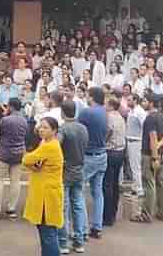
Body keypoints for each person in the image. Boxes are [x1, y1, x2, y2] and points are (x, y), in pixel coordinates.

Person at [22, 117, 64, 256]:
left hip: (47, 196)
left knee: (48, 234)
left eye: (45, 127)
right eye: (40, 126)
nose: (41, 129)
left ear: (54, 130)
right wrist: (35, 166)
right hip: (45, 192)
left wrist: (32, 165)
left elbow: (27, 159)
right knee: (46, 233)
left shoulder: (49, 146)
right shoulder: (46, 143)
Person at [131, 94, 163, 223]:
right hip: (162, 154)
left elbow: (152, 137)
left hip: (149, 155)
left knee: (149, 184)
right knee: (161, 183)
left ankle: (146, 214)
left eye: (145, 100)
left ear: (151, 103)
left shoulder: (150, 119)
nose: (143, 102)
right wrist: (159, 148)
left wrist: (154, 156)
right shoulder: (162, 117)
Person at [57, 100, 88, 254]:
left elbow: (56, 148)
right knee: (78, 205)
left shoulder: (63, 129)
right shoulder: (83, 128)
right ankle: (79, 241)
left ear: (63, 112)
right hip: (80, 169)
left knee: (63, 207)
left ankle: (63, 243)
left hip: (65, 170)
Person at [77, 87, 107, 239]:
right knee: (98, 192)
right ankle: (97, 227)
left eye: (88, 95)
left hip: (89, 155)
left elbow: (77, 129)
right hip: (102, 153)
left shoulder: (87, 112)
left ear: (92, 97)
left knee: (78, 191)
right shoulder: (104, 111)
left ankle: (81, 230)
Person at [0, 97, 28, 220]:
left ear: (11, 107)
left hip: (3, 153)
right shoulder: (24, 120)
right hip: (18, 153)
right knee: (15, 182)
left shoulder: (5, 120)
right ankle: (11, 209)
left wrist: (2, 116)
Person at [102, 97, 126, 226]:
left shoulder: (109, 117)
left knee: (107, 184)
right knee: (115, 183)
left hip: (111, 151)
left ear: (111, 106)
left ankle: (107, 216)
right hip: (120, 151)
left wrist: (103, 141)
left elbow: (109, 130)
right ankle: (113, 212)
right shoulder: (120, 117)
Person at [125, 93, 146, 197]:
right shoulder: (131, 111)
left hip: (137, 142)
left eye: (129, 100)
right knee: (133, 166)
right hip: (130, 141)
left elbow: (145, 126)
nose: (128, 102)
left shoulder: (139, 112)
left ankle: (139, 189)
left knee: (136, 166)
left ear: (135, 101)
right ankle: (134, 187)